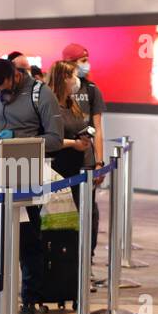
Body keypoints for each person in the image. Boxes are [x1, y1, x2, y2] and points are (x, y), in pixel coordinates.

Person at [0, 54, 64, 314]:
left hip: (26, 173)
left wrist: (18, 141)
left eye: (5, 89)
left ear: (15, 76)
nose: (1, 95)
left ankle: (30, 301)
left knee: (28, 241)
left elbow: (55, 138)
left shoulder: (40, 94)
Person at [60, 42, 107, 257]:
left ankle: (86, 260)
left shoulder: (91, 90)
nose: (86, 65)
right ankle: (65, 262)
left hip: (86, 163)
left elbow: (98, 129)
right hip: (61, 163)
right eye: (82, 60)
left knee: (89, 213)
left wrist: (99, 162)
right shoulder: (54, 93)